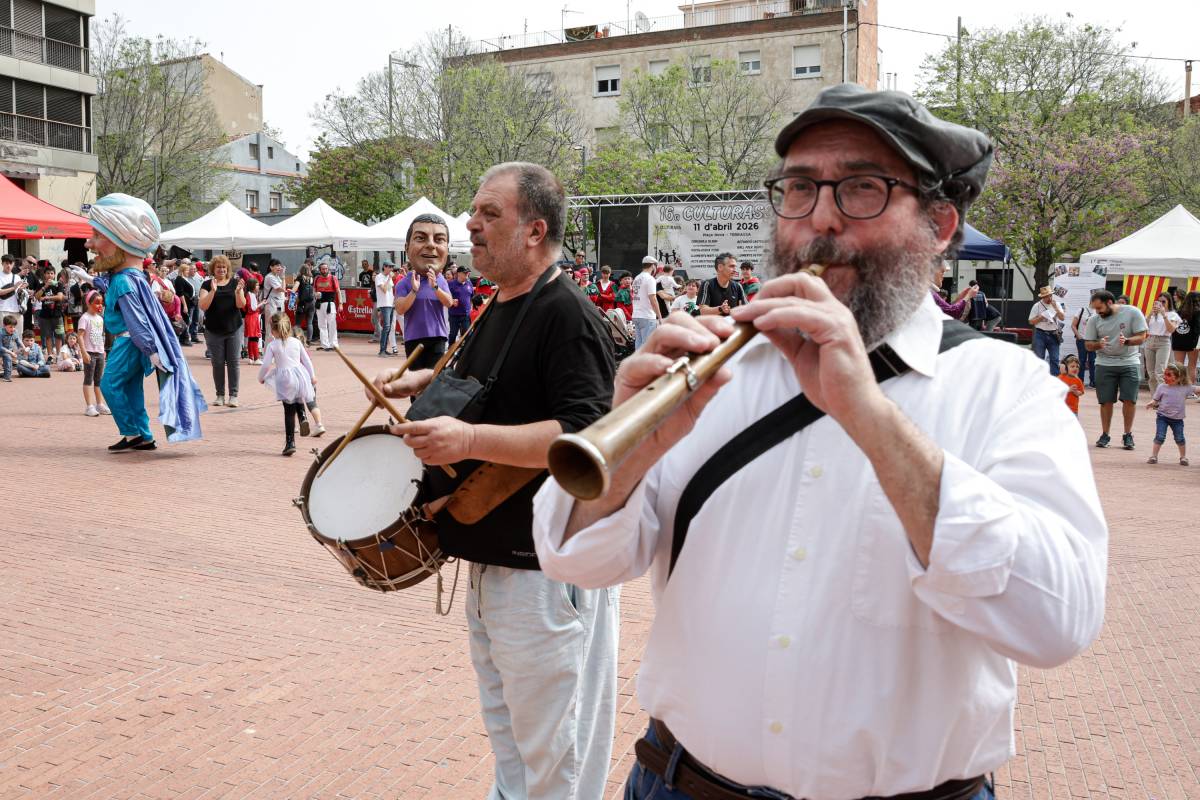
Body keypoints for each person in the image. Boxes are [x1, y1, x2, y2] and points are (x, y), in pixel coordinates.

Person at [533, 83, 1106, 800]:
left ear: (941, 225)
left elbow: (1058, 621)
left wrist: (866, 413)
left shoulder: (1006, 386)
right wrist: (636, 441)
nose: (820, 220)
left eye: (862, 189)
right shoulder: (712, 367)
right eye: (800, 188)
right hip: (682, 785)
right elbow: (574, 558)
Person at [372, 162, 618, 800]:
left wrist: (470, 440)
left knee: (554, 761)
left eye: (488, 214)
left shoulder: (567, 314)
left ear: (534, 230)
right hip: (492, 563)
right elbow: (497, 390)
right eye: (473, 212)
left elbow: (587, 434)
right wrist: (422, 383)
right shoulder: (499, 305)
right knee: (514, 751)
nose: (470, 226)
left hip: (545, 574)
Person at [74, 194, 206, 450]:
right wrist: (89, 279)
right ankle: (143, 434)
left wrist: (152, 350)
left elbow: (136, 321)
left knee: (110, 385)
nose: (90, 243)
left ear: (120, 242)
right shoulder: (129, 275)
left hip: (128, 342)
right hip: (134, 343)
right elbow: (110, 286)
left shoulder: (125, 280)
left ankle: (133, 431)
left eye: (98, 237)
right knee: (132, 388)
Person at [1085, 289, 1148, 450]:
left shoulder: (1133, 312)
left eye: (1099, 308)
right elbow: (1088, 345)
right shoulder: (1094, 319)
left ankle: (1128, 435)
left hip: (1129, 362)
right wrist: (1099, 344)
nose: (1097, 312)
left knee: (1129, 400)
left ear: (1110, 303)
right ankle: (1105, 434)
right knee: (1105, 401)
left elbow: (1142, 336)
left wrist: (1127, 341)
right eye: (1095, 309)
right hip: (1104, 363)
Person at [394, 213, 455, 370]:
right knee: (416, 383)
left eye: (439, 239)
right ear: (407, 248)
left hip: (438, 337)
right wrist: (414, 291)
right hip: (414, 338)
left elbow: (448, 303)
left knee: (433, 382)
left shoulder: (441, 280)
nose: (431, 245)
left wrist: (435, 287)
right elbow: (400, 309)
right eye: (421, 238)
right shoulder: (404, 283)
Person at [258, 313, 316, 456]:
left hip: (284, 378)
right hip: (299, 374)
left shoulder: (272, 345)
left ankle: (290, 442)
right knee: (299, 396)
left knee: (288, 411)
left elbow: (266, 364)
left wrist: (261, 377)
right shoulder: (296, 342)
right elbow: (306, 360)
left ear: (273, 330)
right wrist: (312, 375)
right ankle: (302, 415)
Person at [199, 254, 248, 408]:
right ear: (213, 269)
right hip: (214, 330)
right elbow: (203, 306)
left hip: (233, 328)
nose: (221, 269)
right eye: (218, 267)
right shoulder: (207, 285)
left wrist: (238, 292)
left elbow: (241, 305)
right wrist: (213, 291)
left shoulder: (235, 283)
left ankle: (233, 395)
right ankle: (220, 395)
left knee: (233, 362)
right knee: (218, 363)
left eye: (224, 267)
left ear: (228, 269)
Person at [1146, 363, 1189, 466]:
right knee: (1160, 436)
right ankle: (1154, 456)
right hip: (1162, 417)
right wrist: (1152, 403)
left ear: (1180, 377)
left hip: (1178, 419)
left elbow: (1196, 389)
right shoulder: (1162, 387)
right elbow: (1156, 399)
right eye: (1165, 374)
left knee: (1179, 438)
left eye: (1169, 375)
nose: (1165, 377)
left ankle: (1183, 457)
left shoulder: (1185, 388)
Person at [78, 291, 110, 416]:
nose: (100, 306)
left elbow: (101, 335)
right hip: (90, 353)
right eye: (97, 303)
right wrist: (84, 353)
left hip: (99, 353)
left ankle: (100, 404)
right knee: (88, 380)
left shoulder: (100, 319)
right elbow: (80, 336)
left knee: (99, 380)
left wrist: (102, 350)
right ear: (89, 303)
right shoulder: (84, 318)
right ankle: (89, 406)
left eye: (101, 303)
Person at [1143, 292, 1180, 394]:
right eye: (1158, 302)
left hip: (1163, 341)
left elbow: (1171, 329)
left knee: (1160, 371)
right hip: (1150, 340)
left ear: (1169, 302)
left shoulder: (1173, 315)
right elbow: (1143, 327)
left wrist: (1164, 315)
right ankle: (1154, 397)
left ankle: (1162, 397)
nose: (1161, 304)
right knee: (1150, 372)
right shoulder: (1152, 314)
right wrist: (1151, 314)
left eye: (1163, 301)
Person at [1028, 286, 1065, 375]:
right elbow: (1031, 321)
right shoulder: (1037, 306)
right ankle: (1040, 380)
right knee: (1040, 358)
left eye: (1050, 295)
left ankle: (1054, 380)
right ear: (1042, 297)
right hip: (1040, 334)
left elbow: (1062, 318)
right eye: (1046, 296)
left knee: (1055, 359)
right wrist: (1042, 317)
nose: (1049, 298)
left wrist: (1056, 308)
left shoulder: (1057, 304)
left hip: (1054, 334)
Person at [1170, 290, 1200, 395]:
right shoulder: (1197, 312)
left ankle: (1179, 389)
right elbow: (1197, 329)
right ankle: (1190, 392)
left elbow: (1174, 327)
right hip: (1192, 342)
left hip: (1178, 341)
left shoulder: (1179, 311)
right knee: (1192, 366)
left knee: (1179, 366)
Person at [34, 265, 66, 357]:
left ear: (54, 275)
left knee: (59, 335)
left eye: (52, 273)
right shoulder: (40, 285)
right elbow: (37, 297)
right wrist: (45, 287)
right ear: (44, 274)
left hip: (57, 313)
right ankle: (50, 355)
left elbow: (60, 297)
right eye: (48, 273)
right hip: (45, 314)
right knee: (48, 336)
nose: (50, 275)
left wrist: (46, 297)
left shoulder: (58, 284)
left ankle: (58, 356)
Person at [631, 255, 660, 349]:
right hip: (647, 315)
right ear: (653, 266)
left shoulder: (636, 278)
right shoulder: (650, 279)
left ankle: (637, 363)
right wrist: (659, 317)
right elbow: (653, 299)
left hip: (636, 314)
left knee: (638, 345)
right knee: (647, 346)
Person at [312, 259, 341, 350]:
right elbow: (314, 289)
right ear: (320, 270)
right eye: (323, 269)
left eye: (326, 268)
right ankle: (325, 344)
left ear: (328, 269)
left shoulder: (333, 278)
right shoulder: (317, 278)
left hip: (330, 304)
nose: (324, 270)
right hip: (319, 304)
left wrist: (340, 303)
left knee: (332, 324)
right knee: (321, 325)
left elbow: (338, 291)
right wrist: (315, 294)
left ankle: (334, 344)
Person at [1071, 298, 1097, 387]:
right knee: (1081, 361)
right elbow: (1073, 325)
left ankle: (1093, 382)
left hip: (1093, 341)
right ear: (1091, 301)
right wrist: (1079, 336)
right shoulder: (1081, 310)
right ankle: (1080, 381)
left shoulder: (1098, 312)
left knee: (1092, 361)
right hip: (1082, 340)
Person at [261, 259, 287, 350]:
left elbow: (282, 291)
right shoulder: (270, 277)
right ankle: (267, 353)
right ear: (271, 267)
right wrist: (283, 277)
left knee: (279, 327)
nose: (279, 267)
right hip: (271, 304)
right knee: (270, 329)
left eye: (280, 265)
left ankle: (277, 351)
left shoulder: (277, 277)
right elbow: (282, 289)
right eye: (276, 265)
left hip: (279, 304)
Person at [0, 254, 26, 340]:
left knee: (18, 335)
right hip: (3, 309)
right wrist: (14, 287)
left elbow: (18, 293)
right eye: (6, 263)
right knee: (3, 335)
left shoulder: (17, 277)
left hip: (17, 309)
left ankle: (16, 353)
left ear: (13, 264)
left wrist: (22, 289)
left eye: (10, 263)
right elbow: (0, 292)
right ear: (2, 263)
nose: (8, 265)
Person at [447, 264, 474, 343]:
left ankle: (464, 352)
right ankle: (450, 351)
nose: (467, 274)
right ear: (459, 273)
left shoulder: (469, 284)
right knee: (453, 334)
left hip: (466, 316)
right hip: (454, 315)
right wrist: (451, 300)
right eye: (465, 273)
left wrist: (471, 308)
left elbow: (471, 297)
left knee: (467, 335)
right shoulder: (451, 284)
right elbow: (445, 298)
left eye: (468, 273)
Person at [294, 262, 316, 345]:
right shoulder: (311, 278)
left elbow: (295, 288)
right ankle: (309, 340)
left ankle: (297, 339)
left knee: (298, 323)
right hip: (311, 302)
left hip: (302, 303)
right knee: (309, 322)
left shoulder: (300, 278)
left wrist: (292, 294)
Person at [243, 278, 262, 364]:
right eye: (257, 285)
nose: (258, 286)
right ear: (253, 286)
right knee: (255, 338)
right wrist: (262, 303)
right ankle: (256, 358)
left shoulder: (248, 294)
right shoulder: (252, 295)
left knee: (251, 338)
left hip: (249, 317)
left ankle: (251, 357)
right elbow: (253, 308)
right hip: (253, 317)